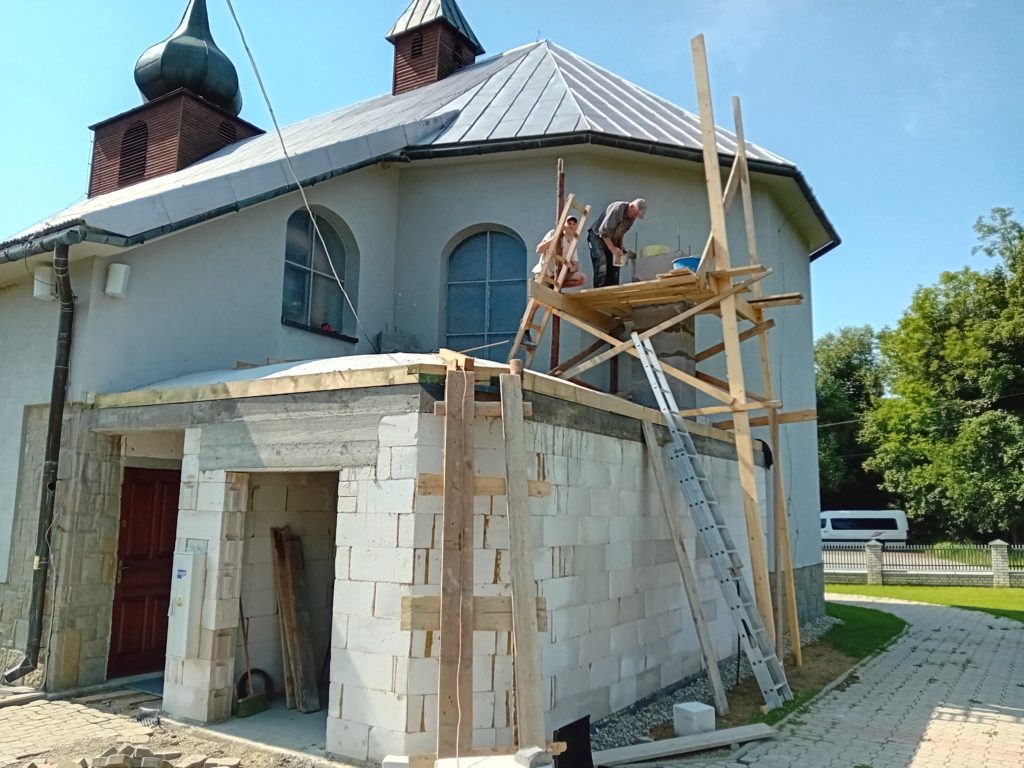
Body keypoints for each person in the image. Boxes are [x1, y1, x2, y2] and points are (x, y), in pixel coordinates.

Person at [587, 198, 647, 287]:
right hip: (597, 236)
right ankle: (600, 291)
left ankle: (612, 291)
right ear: (631, 206)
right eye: (635, 214)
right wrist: (613, 249)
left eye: (637, 216)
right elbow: (603, 232)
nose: (634, 217)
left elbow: (621, 233)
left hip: (611, 239)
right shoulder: (617, 209)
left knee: (615, 267)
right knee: (602, 265)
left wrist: (620, 247)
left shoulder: (632, 218)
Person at [533, 215, 586, 288]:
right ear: (563, 225)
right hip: (545, 274)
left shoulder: (572, 243)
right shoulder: (553, 233)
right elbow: (539, 250)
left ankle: (555, 287)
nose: (571, 226)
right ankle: (549, 286)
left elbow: (575, 266)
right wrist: (555, 237)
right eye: (569, 223)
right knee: (539, 294)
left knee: (581, 278)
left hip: (558, 275)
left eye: (574, 224)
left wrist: (568, 268)